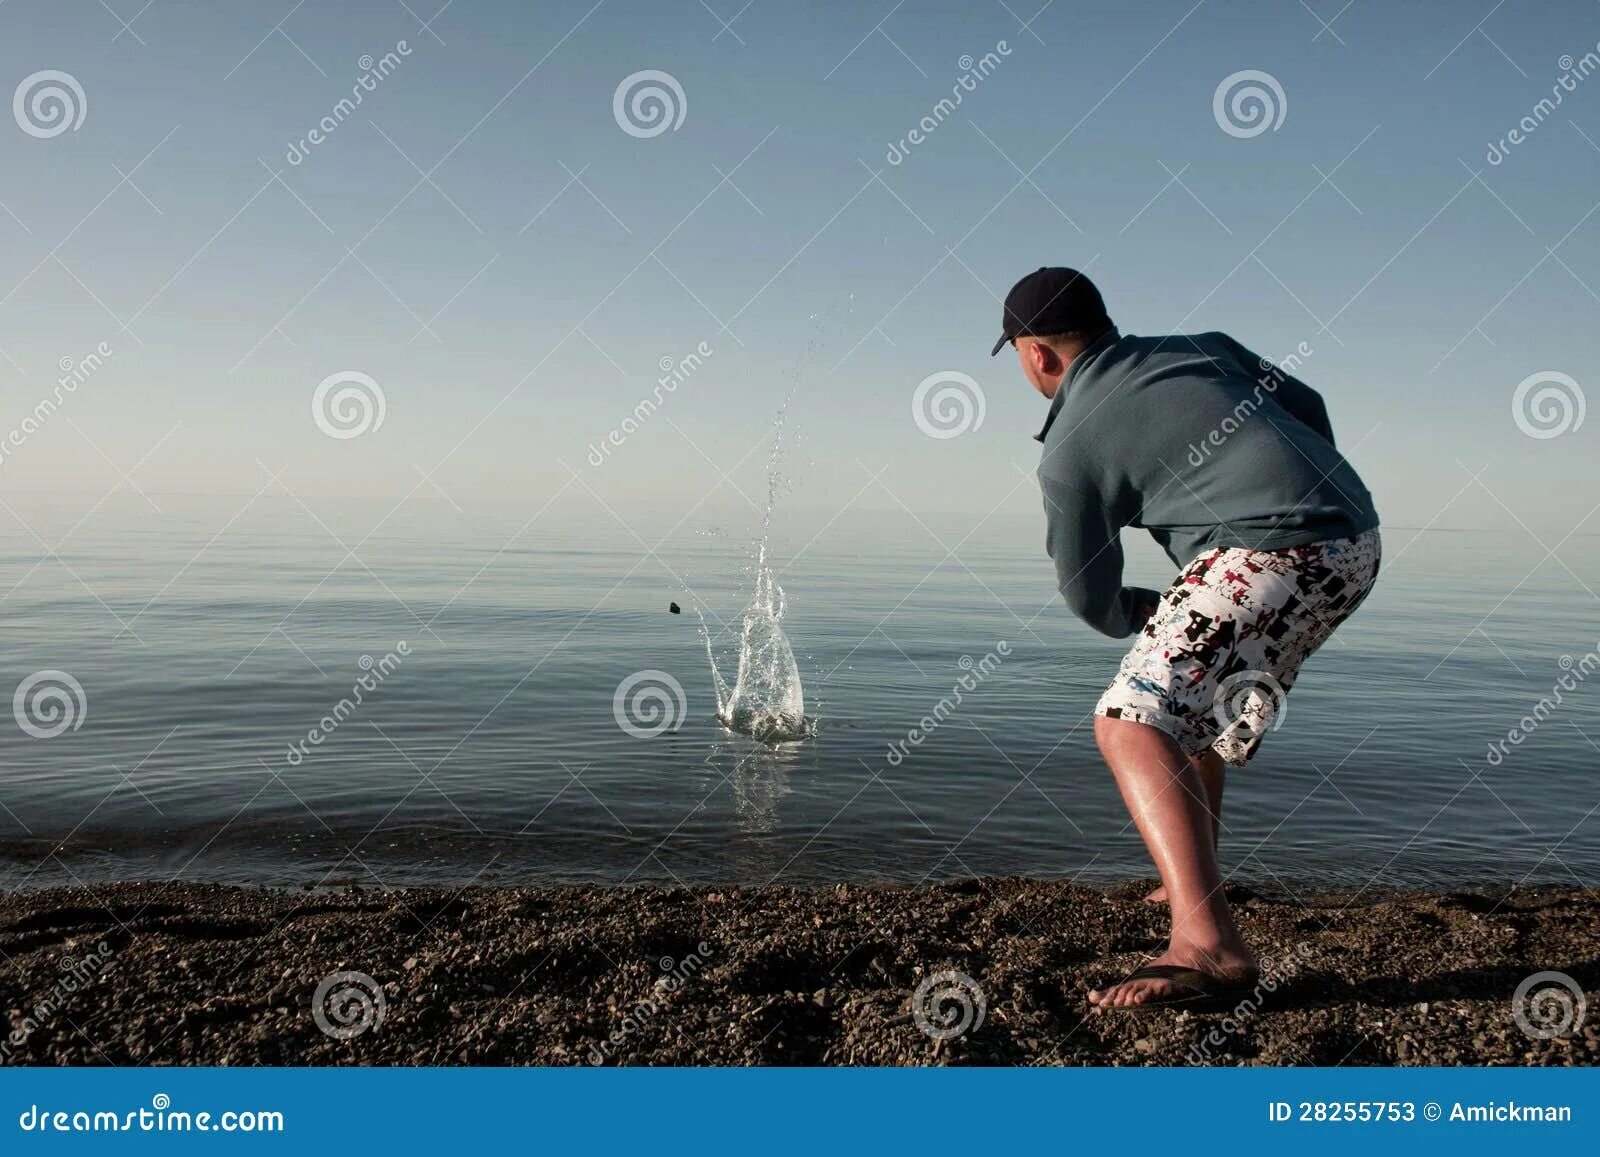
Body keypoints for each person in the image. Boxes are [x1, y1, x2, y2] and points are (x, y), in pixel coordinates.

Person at [991, 267, 1381, 1009]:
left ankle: (1206, 941)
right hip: (1354, 535)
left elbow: (1090, 599)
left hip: (1271, 551)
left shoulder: (1070, 443)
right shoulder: (1201, 348)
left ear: (1036, 353)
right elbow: (1311, 406)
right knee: (1187, 710)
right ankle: (1191, 880)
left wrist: (1159, 607)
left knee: (1129, 721)